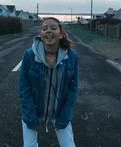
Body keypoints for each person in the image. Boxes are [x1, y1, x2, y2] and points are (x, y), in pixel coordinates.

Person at [19, 17, 78, 147]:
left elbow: (73, 89)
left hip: (59, 110)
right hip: (33, 109)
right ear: (41, 34)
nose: (48, 31)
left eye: (53, 28)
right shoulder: (29, 55)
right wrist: (29, 113)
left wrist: (65, 113)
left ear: (61, 34)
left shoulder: (72, 57)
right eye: (44, 28)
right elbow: (24, 87)